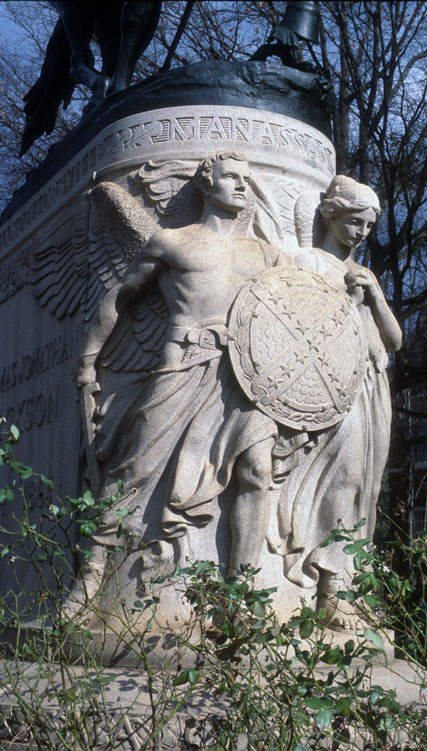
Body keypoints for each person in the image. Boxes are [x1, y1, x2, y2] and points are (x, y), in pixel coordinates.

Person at [72, 151, 290, 604]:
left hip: (247, 375)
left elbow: (295, 313)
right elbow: (120, 297)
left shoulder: (266, 255)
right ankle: (89, 576)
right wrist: (89, 357)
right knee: (133, 468)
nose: (242, 186)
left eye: (247, 180)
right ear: (206, 184)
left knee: (256, 471)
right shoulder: (173, 242)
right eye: (232, 177)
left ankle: (242, 595)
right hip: (183, 363)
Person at [277, 175, 402, 629]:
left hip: (372, 386)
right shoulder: (307, 262)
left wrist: (374, 295)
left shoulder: (367, 274)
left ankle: (348, 582)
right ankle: (328, 586)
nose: (362, 233)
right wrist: (345, 300)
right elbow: (300, 329)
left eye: (369, 226)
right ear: (330, 215)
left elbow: (394, 341)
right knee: (343, 479)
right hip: (332, 386)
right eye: (355, 222)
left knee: (365, 489)